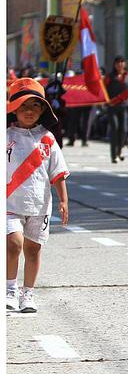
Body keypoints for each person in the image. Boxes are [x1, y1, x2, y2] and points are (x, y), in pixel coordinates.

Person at [6, 78, 70, 313]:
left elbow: (58, 172)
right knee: (13, 244)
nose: (29, 111)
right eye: (23, 106)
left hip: (40, 204)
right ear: (13, 108)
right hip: (9, 201)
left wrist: (64, 200)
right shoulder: (6, 136)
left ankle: (28, 294)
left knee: (33, 250)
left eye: (35, 105)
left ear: (43, 109)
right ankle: (10, 289)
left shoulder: (48, 139)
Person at [104, 56, 128, 163]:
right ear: (114, 64)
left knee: (124, 129)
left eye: (122, 62)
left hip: (125, 106)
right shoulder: (109, 77)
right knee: (115, 128)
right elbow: (103, 89)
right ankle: (113, 155)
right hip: (112, 107)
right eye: (118, 62)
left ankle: (119, 150)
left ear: (125, 64)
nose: (120, 64)